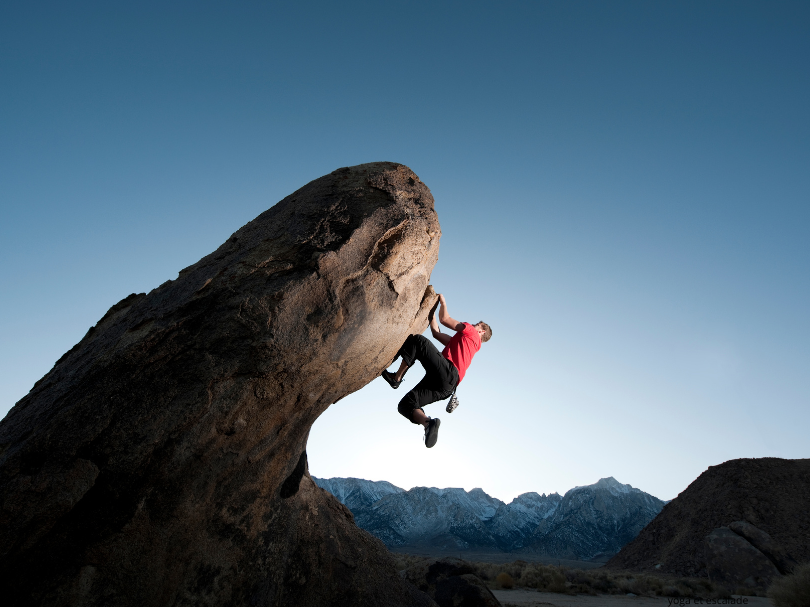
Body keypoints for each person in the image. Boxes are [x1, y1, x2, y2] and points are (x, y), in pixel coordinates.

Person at [381, 293, 492, 448]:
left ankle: (396, 377)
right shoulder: (465, 343)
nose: (473, 325)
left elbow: (445, 319)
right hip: (446, 388)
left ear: (482, 332)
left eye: (477, 324)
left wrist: (443, 302)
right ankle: (428, 424)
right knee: (406, 405)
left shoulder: (471, 333)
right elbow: (436, 333)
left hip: (448, 373)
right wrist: (431, 311)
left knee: (419, 341)